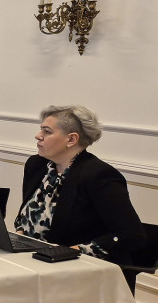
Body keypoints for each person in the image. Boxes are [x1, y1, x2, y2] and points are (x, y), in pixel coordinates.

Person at [15, 105, 146, 265]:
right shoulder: (37, 165)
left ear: (71, 139)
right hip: (31, 258)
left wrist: (72, 251)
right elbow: (25, 219)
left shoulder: (99, 175)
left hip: (78, 266)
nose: (38, 136)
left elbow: (131, 234)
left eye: (47, 131)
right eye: (41, 129)